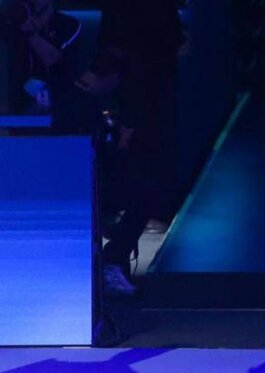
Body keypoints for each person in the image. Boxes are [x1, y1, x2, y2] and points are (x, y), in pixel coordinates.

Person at [78, 0, 187, 295]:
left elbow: (175, 42)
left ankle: (114, 257)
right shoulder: (130, 14)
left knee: (152, 185)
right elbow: (117, 52)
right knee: (144, 185)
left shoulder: (154, 14)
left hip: (151, 105)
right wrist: (128, 119)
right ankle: (111, 259)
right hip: (135, 107)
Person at [0, 0, 83, 128]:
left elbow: (52, 57)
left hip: (60, 107)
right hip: (20, 106)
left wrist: (30, 32)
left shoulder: (68, 24)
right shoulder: (15, 21)